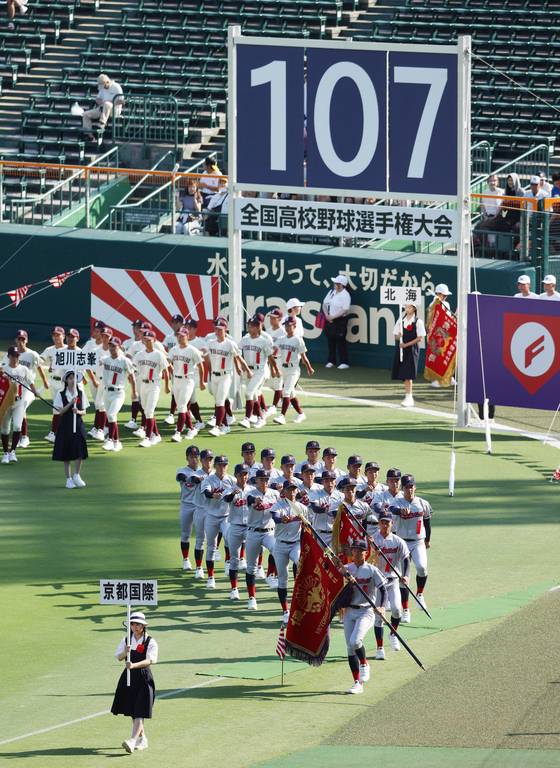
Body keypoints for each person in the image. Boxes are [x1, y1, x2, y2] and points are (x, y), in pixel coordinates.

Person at [341, 539, 386, 694]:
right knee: (349, 647)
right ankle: (357, 683)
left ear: (366, 553)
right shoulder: (347, 569)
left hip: (366, 611)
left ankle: (365, 663)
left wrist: (381, 606)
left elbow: (383, 589)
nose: (356, 553)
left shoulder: (371, 570)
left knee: (355, 641)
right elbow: (330, 573)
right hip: (349, 611)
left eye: (360, 550)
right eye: (354, 550)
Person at [111, 611, 157, 754]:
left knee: (139, 711)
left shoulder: (151, 641)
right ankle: (142, 739)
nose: (135, 627)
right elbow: (118, 657)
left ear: (143, 626)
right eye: (132, 624)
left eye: (138, 624)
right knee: (133, 710)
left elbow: (150, 660)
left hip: (143, 678)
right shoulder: (126, 640)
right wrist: (126, 651)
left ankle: (132, 741)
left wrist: (134, 665)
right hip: (128, 677)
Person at [391, 474, 432, 623]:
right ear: (402, 488)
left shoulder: (422, 503)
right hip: (402, 543)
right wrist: (400, 511)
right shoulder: (397, 501)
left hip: (418, 541)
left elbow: (427, 522)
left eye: (411, 486)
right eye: (407, 487)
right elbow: (391, 509)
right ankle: (406, 610)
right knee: (404, 578)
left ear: (415, 487)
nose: (410, 489)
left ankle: (420, 595)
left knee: (422, 568)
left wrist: (427, 540)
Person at [372, 511, 410, 660]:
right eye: (382, 522)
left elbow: (406, 558)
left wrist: (405, 575)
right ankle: (379, 648)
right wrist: (371, 548)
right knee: (379, 615)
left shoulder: (398, 541)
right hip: (377, 583)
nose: (385, 525)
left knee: (397, 610)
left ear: (392, 523)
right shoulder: (372, 539)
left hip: (393, 580)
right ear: (379, 523)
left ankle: (393, 633)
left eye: (387, 522)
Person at [205, 317, 251, 437]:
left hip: (225, 376)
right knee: (219, 401)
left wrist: (245, 369)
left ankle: (217, 426)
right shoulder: (210, 343)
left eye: (221, 329)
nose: (219, 331)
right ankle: (226, 426)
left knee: (219, 402)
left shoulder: (230, 344)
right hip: (214, 375)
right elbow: (205, 356)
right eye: (217, 329)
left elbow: (238, 357)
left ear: (225, 329)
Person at [271, 479, 308, 623]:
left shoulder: (302, 508)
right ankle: (285, 611)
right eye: (289, 490)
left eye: (294, 490)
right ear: (284, 492)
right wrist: (282, 519)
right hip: (280, 545)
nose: (292, 492)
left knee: (299, 562)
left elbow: (307, 527)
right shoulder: (278, 505)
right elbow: (275, 517)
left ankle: (300, 600)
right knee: (282, 579)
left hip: (295, 544)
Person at [3, 329, 48, 448]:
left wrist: (44, 381)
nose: (21, 341)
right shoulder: (11, 353)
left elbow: (39, 367)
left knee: (22, 407)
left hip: (27, 387)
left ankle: (24, 437)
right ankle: (15, 436)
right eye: (19, 339)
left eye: (23, 339)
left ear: (26, 340)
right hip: (12, 389)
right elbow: (4, 369)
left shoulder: (32, 354)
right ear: (16, 340)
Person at [201, 455, 235, 588]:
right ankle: (211, 577)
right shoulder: (209, 479)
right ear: (215, 466)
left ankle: (228, 563)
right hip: (211, 517)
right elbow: (206, 492)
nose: (222, 467)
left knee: (229, 539)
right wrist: (212, 495)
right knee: (211, 546)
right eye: (220, 465)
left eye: (224, 465)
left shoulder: (232, 480)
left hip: (226, 516)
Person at [239, 316, 279, 430]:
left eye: (251, 326)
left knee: (248, 392)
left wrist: (275, 370)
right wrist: (240, 366)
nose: (249, 328)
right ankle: (261, 418)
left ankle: (247, 418)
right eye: (248, 326)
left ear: (257, 328)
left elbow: (270, 357)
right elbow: (237, 352)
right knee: (255, 395)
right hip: (248, 370)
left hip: (260, 371)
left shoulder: (264, 341)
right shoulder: (245, 339)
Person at [273, 316, 314, 425]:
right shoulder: (281, 339)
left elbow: (303, 356)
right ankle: (301, 414)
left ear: (294, 326)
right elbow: (274, 351)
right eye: (285, 325)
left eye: (289, 325)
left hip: (293, 370)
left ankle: (282, 416)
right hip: (283, 368)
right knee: (291, 394)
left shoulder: (298, 340)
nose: (287, 327)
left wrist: (309, 368)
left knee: (286, 392)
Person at [222, 464, 254, 600]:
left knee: (252, 557)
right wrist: (232, 494)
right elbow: (226, 499)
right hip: (234, 527)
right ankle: (234, 589)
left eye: (245, 474)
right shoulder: (229, 489)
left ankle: (251, 595)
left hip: (249, 527)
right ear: (236, 476)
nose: (244, 477)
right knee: (234, 559)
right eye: (241, 474)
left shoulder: (253, 490)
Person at [52, 371, 88, 489]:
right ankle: (68, 479)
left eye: (74, 378)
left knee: (79, 451)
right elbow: (60, 412)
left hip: (77, 425)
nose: (72, 380)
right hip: (65, 425)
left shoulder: (81, 394)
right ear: (66, 380)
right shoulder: (61, 394)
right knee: (66, 453)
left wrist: (78, 411)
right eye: (70, 378)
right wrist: (70, 404)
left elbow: (84, 412)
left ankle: (77, 475)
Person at [133, 330, 170, 447]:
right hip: (143, 384)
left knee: (149, 411)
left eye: (149, 340)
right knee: (146, 410)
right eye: (145, 340)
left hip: (154, 384)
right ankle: (157, 435)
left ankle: (148, 438)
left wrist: (167, 386)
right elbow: (133, 368)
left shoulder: (159, 354)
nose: (147, 342)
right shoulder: (139, 354)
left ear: (154, 340)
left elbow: (166, 370)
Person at [167, 327, 205, 442]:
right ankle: (192, 428)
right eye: (178, 335)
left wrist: (202, 381)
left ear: (187, 336)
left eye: (182, 335)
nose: (180, 337)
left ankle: (178, 433)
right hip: (176, 380)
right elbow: (168, 362)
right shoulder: (174, 349)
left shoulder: (193, 350)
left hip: (188, 380)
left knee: (182, 406)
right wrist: (171, 371)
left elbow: (201, 366)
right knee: (181, 406)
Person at [1, 346, 36, 464]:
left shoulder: (24, 369)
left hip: (19, 402)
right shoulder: (3, 369)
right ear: (8, 356)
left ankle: (12, 452)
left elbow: (31, 382)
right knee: (5, 429)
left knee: (17, 426)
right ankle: (5, 453)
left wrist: (34, 391)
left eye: (17, 356)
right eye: (12, 356)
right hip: (6, 403)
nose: (15, 358)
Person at [101, 336, 136, 452]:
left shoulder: (124, 361)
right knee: (111, 417)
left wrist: (134, 391)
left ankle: (110, 440)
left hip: (118, 393)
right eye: (110, 345)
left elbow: (132, 376)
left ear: (119, 347)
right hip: (107, 392)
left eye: (114, 346)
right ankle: (117, 442)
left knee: (111, 415)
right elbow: (94, 362)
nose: (111, 348)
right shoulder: (105, 359)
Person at [392, 303, 426, 408]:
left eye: (410, 307)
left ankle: (409, 397)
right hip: (402, 349)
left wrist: (406, 344)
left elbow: (420, 338)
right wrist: (399, 336)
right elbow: (396, 336)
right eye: (406, 307)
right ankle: (408, 396)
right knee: (403, 373)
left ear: (414, 309)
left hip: (412, 350)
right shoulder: (401, 320)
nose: (407, 309)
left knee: (408, 374)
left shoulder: (418, 321)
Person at [176, 445, 203, 570]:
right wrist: (192, 479)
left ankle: (199, 565)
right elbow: (180, 477)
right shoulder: (181, 470)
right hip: (186, 505)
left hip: (199, 507)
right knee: (185, 534)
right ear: (187, 458)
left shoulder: (202, 472)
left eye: (196, 457)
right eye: (191, 457)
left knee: (200, 536)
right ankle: (186, 559)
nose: (194, 459)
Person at [41, 326, 67, 442]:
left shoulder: (69, 349)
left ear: (63, 336)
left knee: (60, 407)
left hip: (64, 383)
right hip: (53, 382)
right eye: (54, 335)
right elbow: (40, 360)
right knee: (57, 408)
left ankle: (55, 432)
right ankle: (57, 432)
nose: (56, 337)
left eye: (58, 335)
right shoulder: (49, 349)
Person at [322, 274, 351, 369]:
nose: (335, 285)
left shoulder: (346, 295)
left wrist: (333, 317)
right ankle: (331, 361)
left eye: (337, 283)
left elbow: (345, 310)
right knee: (330, 340)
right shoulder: (331, 292)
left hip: (340, 320)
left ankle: (344, 362)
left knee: (340, 341)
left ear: (342, 285)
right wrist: (327, 316)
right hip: (329, 319)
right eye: (335, 283)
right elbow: (324, 304)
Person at [82, 73, 124, 138]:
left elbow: (122, 101)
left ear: (107, 82)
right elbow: (98, 99)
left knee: (107, 104)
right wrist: (101, 103)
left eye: (104, 85)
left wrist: (110, 102)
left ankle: (102, 124)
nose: (103, 88)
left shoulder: (116, 87)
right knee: (85, 115)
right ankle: (89, 136)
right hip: (102, 108)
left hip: (114, 110)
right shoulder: (102, 89)